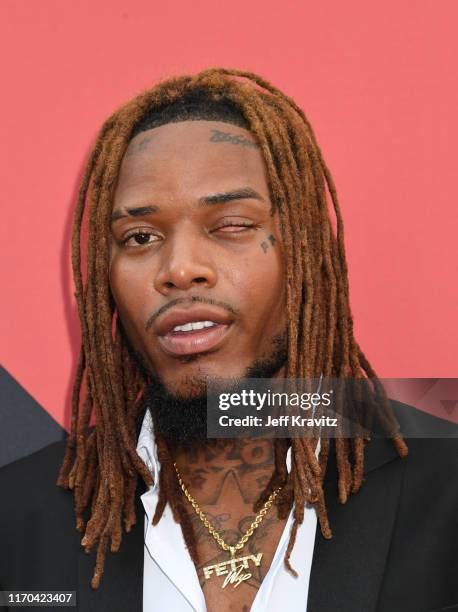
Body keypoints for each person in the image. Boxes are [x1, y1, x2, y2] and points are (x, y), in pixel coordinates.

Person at [0, 68, 456, 612]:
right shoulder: (17, 516)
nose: (180, 269)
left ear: (306, 251)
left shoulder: (445, 487)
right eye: (140, 237)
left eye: (232, 224)